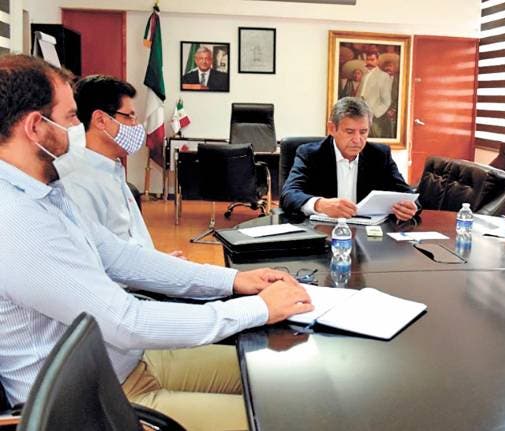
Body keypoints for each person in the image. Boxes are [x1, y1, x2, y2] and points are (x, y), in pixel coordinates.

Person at [0, 54, 312, 430]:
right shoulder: (16, 220)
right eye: (70, 117)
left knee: (284, 379)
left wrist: (234, 281)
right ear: (36, 126)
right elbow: (126, 320)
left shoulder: (45, 190)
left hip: (128, 362)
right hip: (97, 404)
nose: (77, 128)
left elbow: (119, 256)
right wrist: (257, 309)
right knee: (286, 419)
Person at [61, 74, 182, 257]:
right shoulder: (78, 183)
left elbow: (132, 240)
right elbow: (105, 260)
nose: (136, 125)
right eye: (129, 116)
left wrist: (161, 261)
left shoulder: (112, 169)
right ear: (100, 120)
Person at [280, 97, 417, 221]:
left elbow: (408, 194)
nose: (357, 140)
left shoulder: (379, 155)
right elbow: (288, 194)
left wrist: (410, 208)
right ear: (332, 128)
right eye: (350, 132)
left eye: (363, 132)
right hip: (322, 231)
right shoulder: (310, 154)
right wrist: (320, 204)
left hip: (367, 234)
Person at [358, 51, 393, 138]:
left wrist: (375, 114)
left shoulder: (384, 76)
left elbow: (387, 101)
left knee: (375, 140)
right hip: (361, 116)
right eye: (368, 59)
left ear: (377, 61)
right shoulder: (365, 76)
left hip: (376, 118)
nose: (369, 62)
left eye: (372, 59)